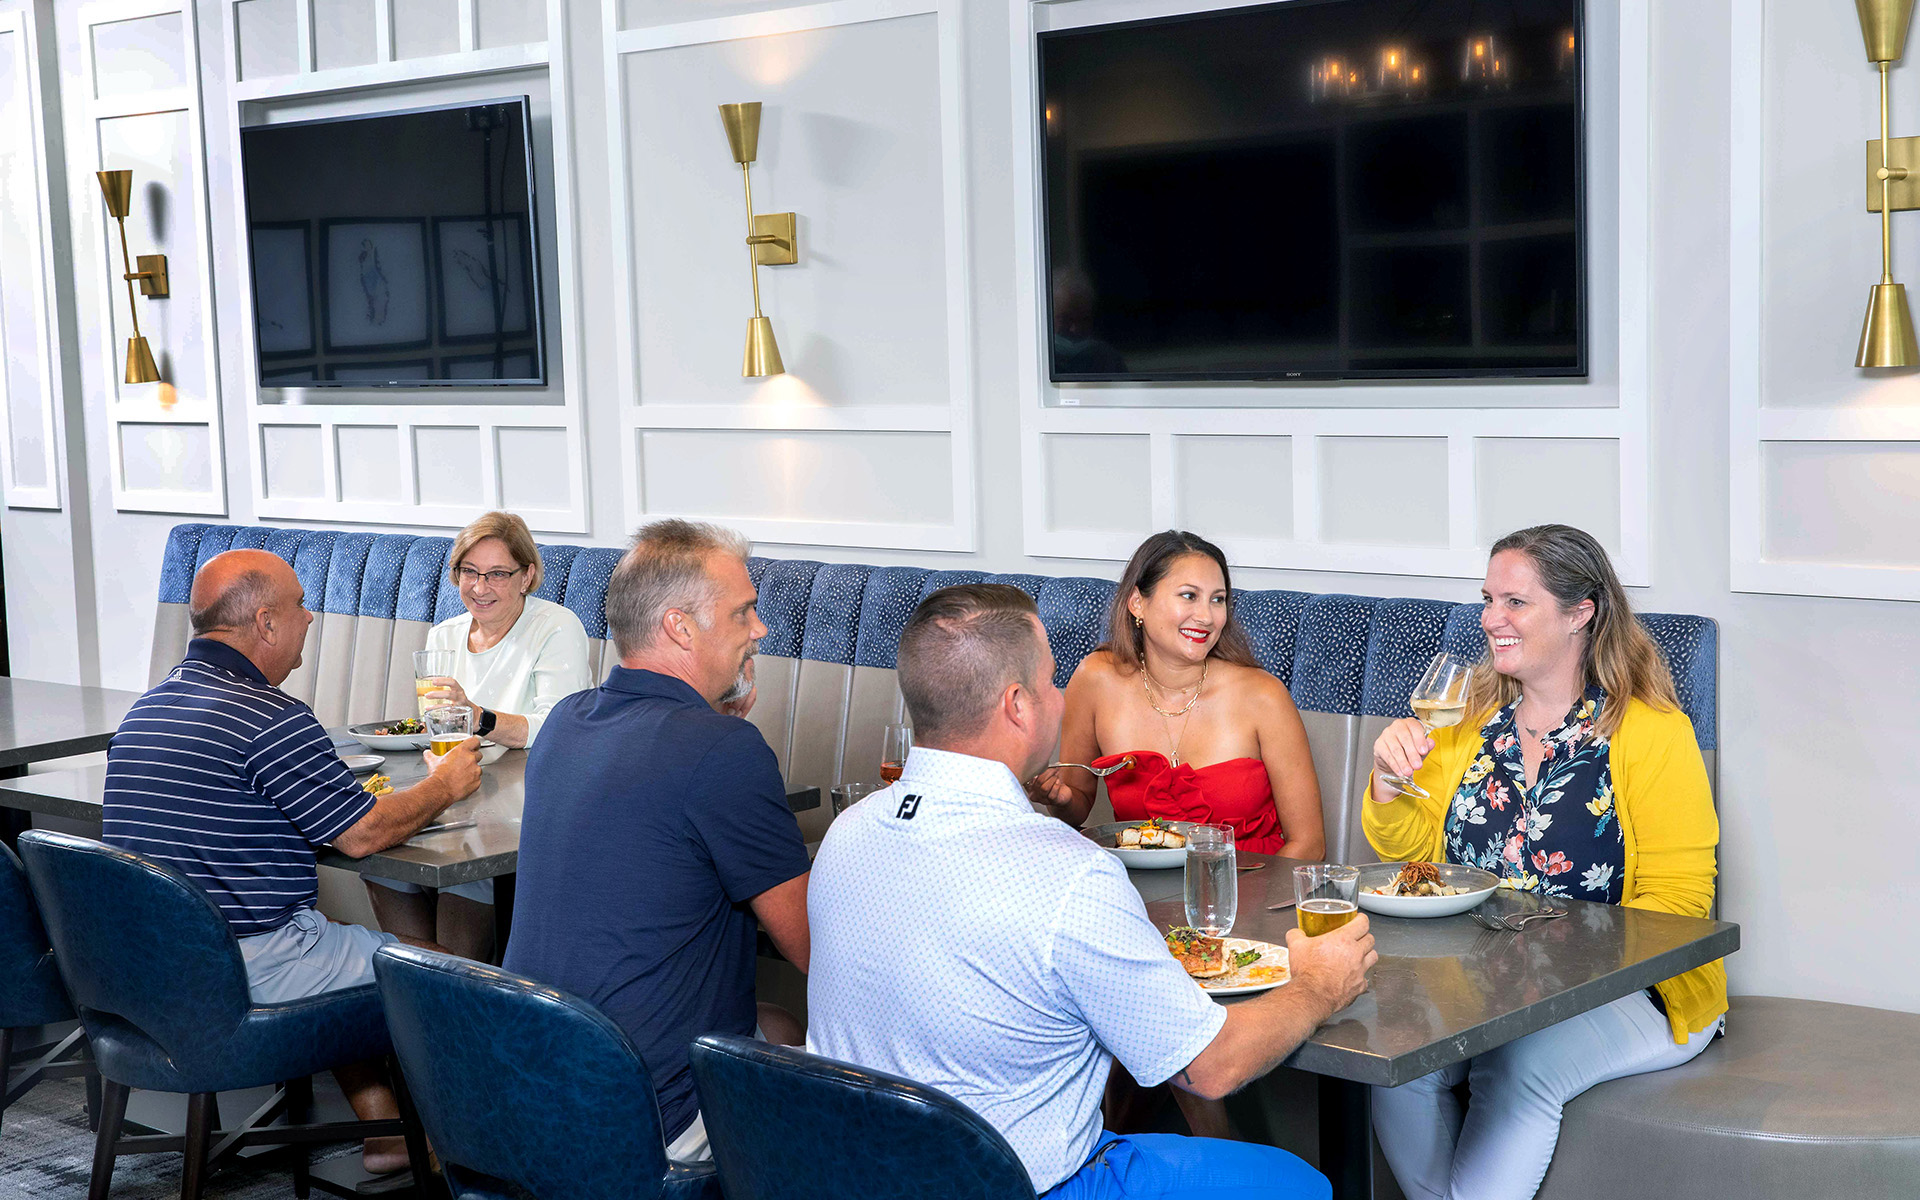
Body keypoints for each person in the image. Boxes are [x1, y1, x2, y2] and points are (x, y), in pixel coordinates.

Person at [807, 583, 1377, 1200]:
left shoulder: (846, 834)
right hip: (1020, 1186)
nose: (1060, 697)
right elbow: (1211, 1067)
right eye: (1052, 682)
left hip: (841, 1176)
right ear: (1018, 705)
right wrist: (1321, 983)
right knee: (1303, 1184)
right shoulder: (1070, 874)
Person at [1363, 524, 1727, 1200]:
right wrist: (1387, 781)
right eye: (1488, 599)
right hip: (1486, 985)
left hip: (1635, 990)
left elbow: (1678, 907)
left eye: (1516, 602)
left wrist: (1544, 981)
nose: (1490, 619)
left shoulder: (1651, 731)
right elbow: (1412, 860)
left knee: (1519, 1063)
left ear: (1578, 613)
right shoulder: (1468, 720)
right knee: (1397, 1053)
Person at [103, 549, 482, 1176]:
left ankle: (386, 1132)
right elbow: (362, 834)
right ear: (266, 622)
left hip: (138, 977)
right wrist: (445, 784)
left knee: (334, 944)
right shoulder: (269, 718)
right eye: (301, 604)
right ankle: (475, 1155)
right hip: (238, 979)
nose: (310, 617)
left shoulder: (148, 708)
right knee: (459, 974)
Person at [502, 519, 810, 1165]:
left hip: (526, 1093)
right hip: (643, 1120)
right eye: (743, 612)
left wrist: (712, 724)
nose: (759, 629)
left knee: (778, 1023)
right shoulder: (722, 751)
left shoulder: (566, 720)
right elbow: (812, 946)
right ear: (680, 627)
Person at [365, 511, 591, 961]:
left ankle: (455, 988)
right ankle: (417, 983)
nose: (480, 587)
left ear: (527, 576)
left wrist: (479, 717)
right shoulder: (444, 634)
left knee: (467, 869)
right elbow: (434, 727)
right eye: (469, 571)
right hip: (455, 791)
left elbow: (560, 728)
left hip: (525, 803)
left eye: (497, 574)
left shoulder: (556, 626)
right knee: (381, 860)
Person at [1032, 530, 1326, 859]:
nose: (1207, 617)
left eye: (1218, 599)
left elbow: (1309, 845)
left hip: (1250, 885)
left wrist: (1228, 890)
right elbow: (1078, 804)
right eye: (1189, 596)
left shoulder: (1263, 696)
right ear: (1137, 603)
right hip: (1138, 885)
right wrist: (1059, 799)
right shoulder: (1096, 679)